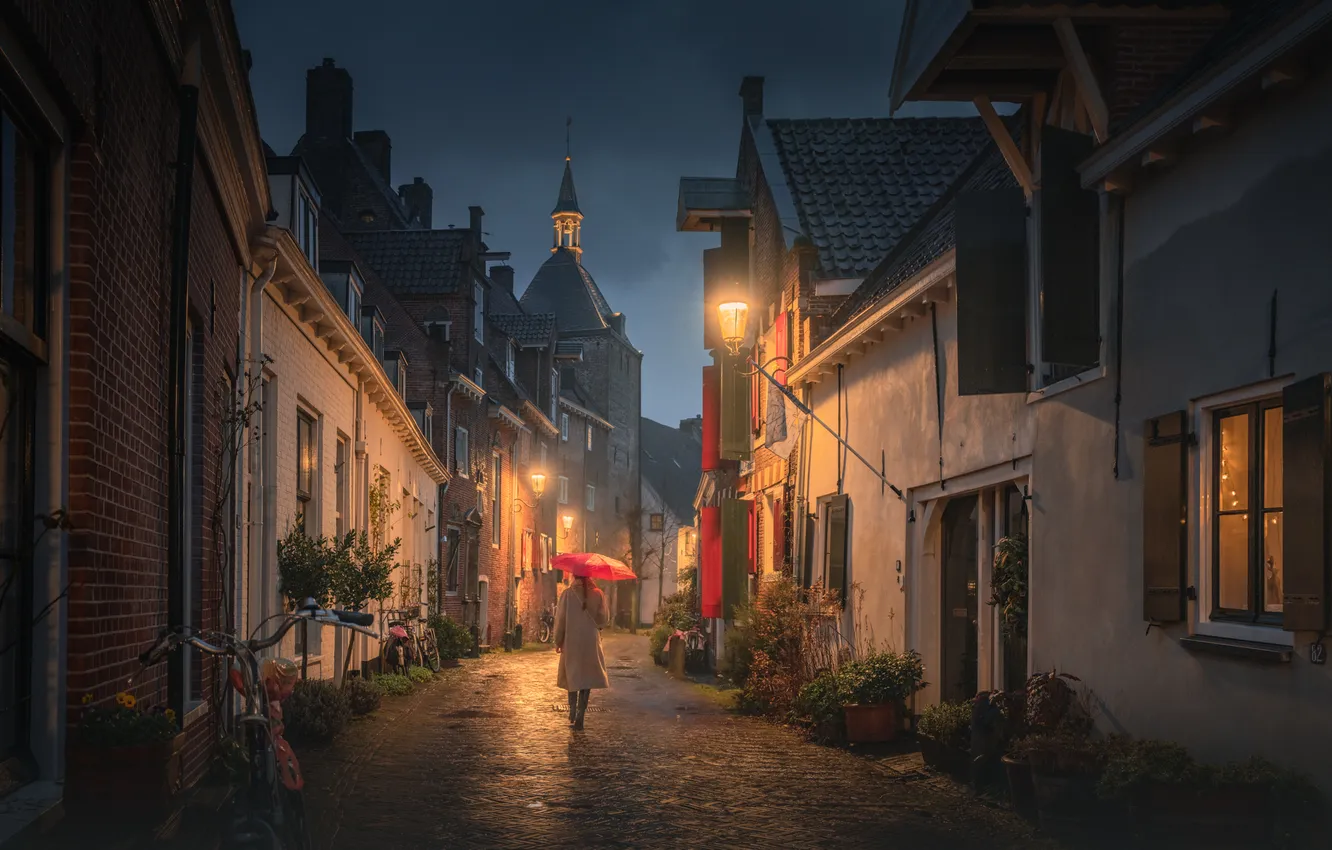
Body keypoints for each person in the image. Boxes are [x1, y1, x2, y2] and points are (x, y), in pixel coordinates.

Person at [554, 573, 610, 730]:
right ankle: (580, 716)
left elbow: (560, 620)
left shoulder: (567, 594)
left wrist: (558, 640)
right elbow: (603, 619)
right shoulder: (598, 594)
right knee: (586, 678)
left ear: (574, 575)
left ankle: (572, 711)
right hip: (590, 641)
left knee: (572, 675)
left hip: (571, 641)